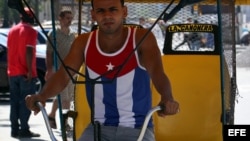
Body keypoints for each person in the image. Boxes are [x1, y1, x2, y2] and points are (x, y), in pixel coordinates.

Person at [25, 0, 180, 141]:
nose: (107, 15)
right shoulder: (83, 42)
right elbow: (63, 75)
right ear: (93, 14)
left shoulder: (141, 38)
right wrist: (42, 95)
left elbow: (158, 73)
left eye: (113, 9)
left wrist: (167, 97)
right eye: (100, 11)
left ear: (124, 12)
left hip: (137, 130)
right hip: (97, 130)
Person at [7, 7, 40, 138]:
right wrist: (29, 71)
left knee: (14, 101)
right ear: (30, 17)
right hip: (25, 72)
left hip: (12, 72)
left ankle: (14, 129)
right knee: (26, 102)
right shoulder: (31, 31)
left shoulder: (12, 31)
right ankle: (24, 129)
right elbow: (29, 51)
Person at [45, 9, 76, 129]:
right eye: (67, 18)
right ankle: (65, 123)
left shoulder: (72, 34)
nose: (70, 20)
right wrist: (49, 70)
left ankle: (52, 115)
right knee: (65, 99)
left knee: (65, 97)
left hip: (71, 69)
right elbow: (48, 53)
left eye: (71, 18)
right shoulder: (53, 34)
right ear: (60, 18)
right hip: (59, 70)